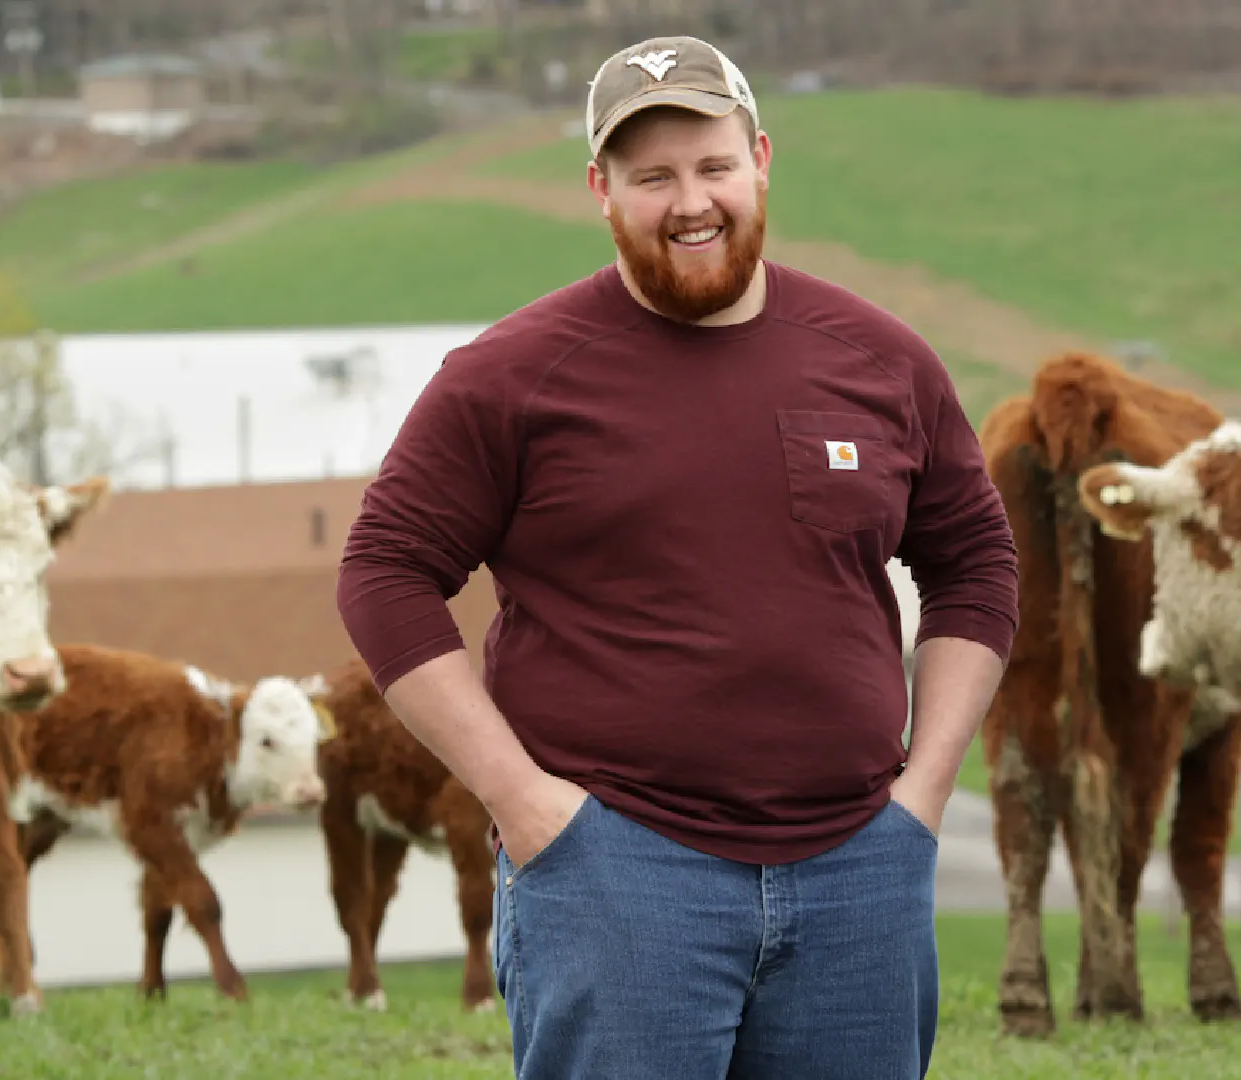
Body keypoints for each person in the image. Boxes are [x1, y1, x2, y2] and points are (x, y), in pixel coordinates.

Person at [333, 33, 1019, 1080]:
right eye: (652, 177)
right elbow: (383, 572)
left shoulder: (879, 360)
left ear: (762, 161)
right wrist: (524, 804)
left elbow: (974, 562)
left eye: (713, 166)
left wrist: (923, 794)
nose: (690, 202)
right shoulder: (513, 377)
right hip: (617, 872)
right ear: (601, 189)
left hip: (858, 874)